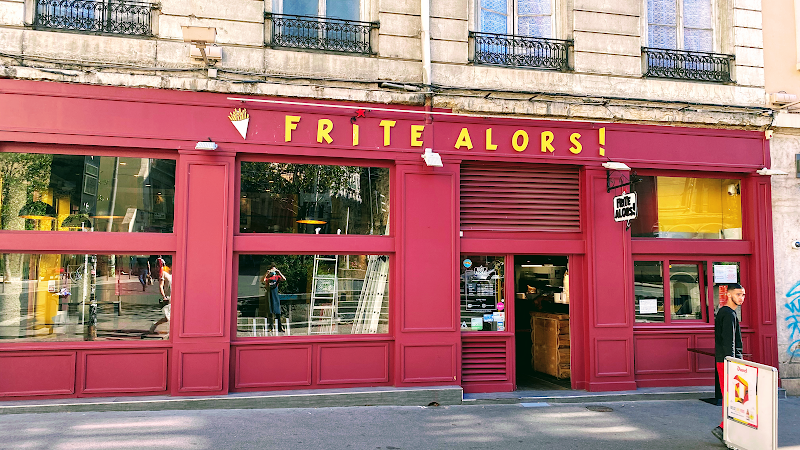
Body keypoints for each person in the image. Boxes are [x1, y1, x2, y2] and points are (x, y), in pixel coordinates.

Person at [711, 283, 745, 443]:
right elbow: (728, 341)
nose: (741, 298)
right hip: (727, 361)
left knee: (732, 396)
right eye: (738, 294)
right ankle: (724, 428)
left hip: (725, 360)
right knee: (731, 397)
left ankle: (726, 429)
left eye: (743, 295)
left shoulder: (725, 312)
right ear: (729, 295)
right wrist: (731, 361)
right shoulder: (729, 314)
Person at [263, 263, 287, 333]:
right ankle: (271, 326)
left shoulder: (277, 277)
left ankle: (280, 326)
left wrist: (278, 272)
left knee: (277, 311)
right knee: (270, 311)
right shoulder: (268, 278)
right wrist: (267, 273)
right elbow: (263, 280)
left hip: (275, 295)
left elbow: (284, 279)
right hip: (269, 294)